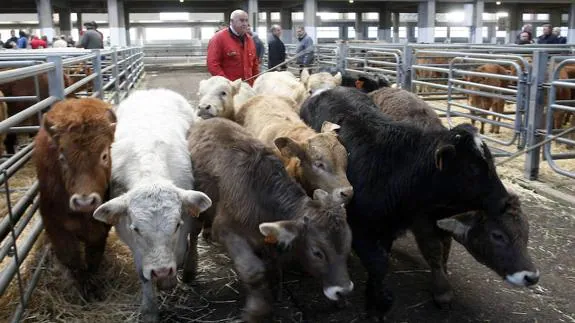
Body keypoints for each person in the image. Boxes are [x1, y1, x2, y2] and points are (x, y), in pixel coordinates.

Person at [206, 9, 259, 85]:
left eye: (246, 21)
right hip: (229, 89)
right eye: (241, 20)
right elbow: (213, 64)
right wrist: (228, 84)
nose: (245, 24)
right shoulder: (218, 38)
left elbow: (254, 64)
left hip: (247, 87)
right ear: (231, 21)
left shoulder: (249, 40)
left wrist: (255, 83)